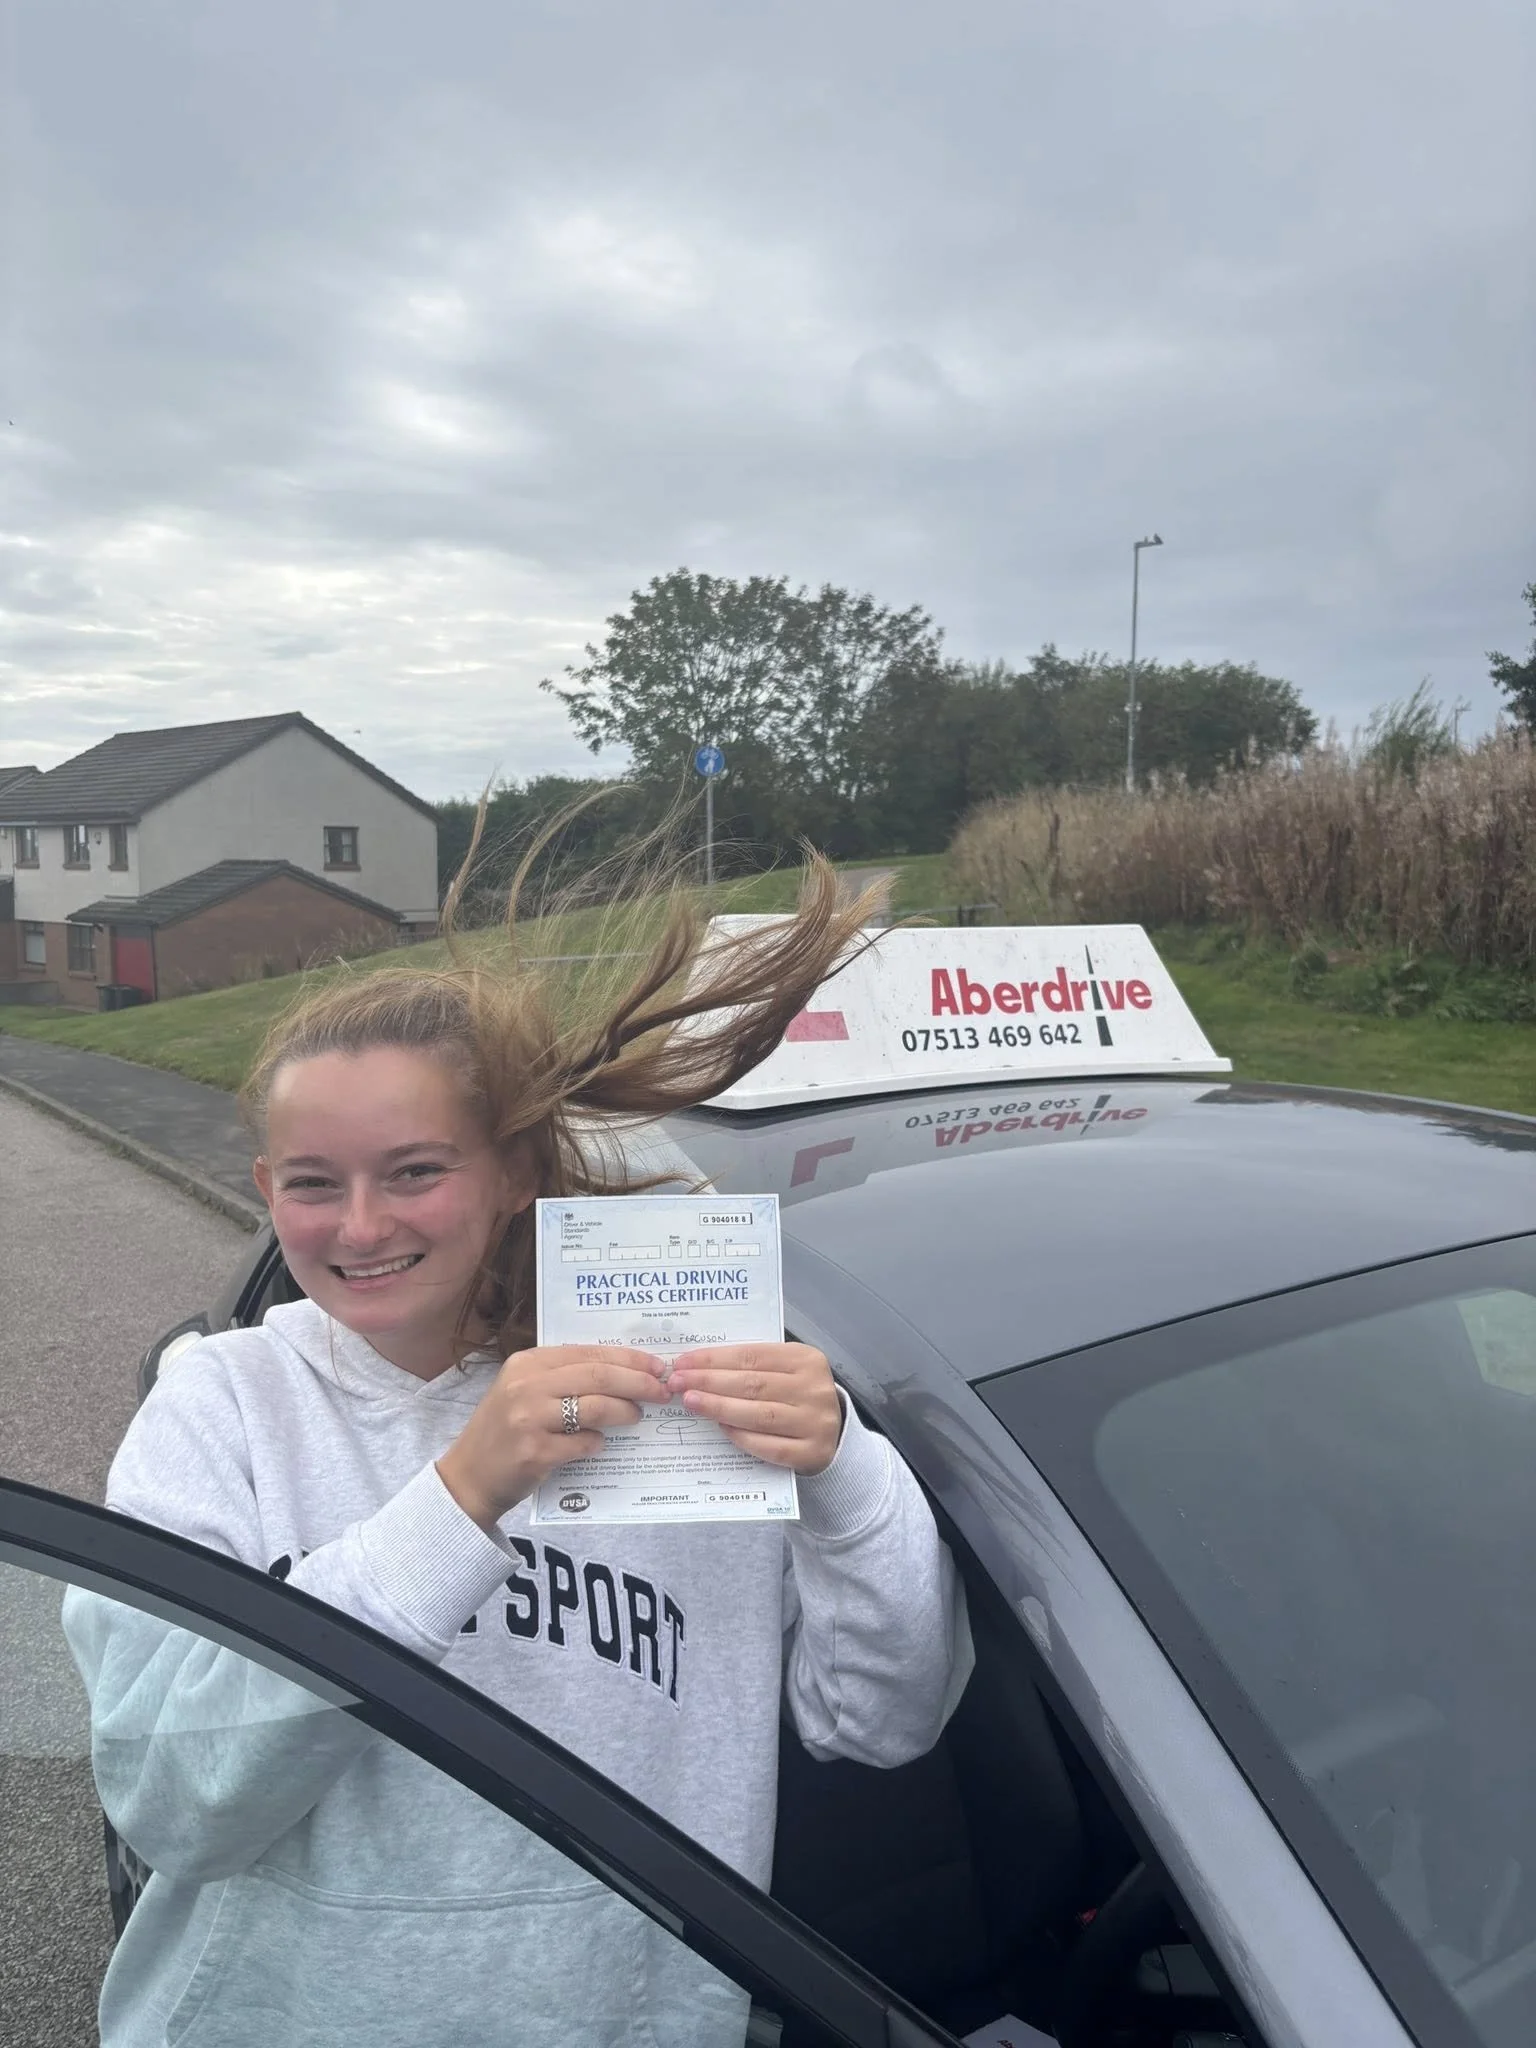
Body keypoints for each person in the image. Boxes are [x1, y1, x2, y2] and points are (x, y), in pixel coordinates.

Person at [63, 838, 972, 2047]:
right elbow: (175, 1804)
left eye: (417, 1170)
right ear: (265, 1184)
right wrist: (460, 1497)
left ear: (512, 1173)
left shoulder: (672, 1390)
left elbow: (883, 1716)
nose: (364, 1224)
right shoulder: (219, 1405)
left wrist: (848, 1470)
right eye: (315, 1183)